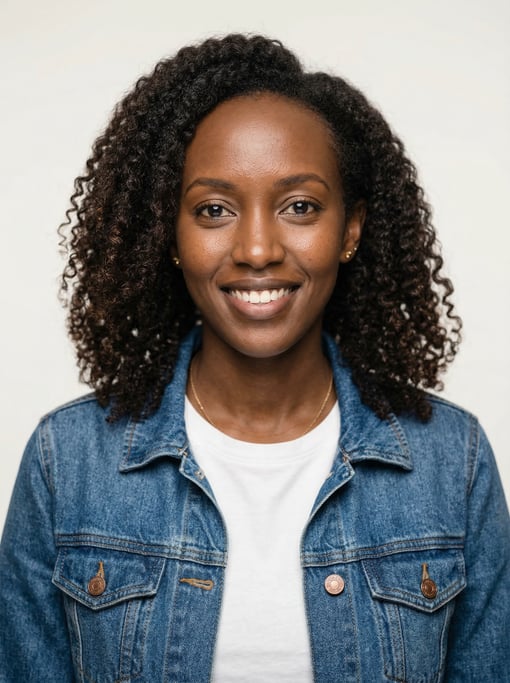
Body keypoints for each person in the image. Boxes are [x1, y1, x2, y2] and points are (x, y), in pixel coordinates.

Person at [0, 33, 509, 683]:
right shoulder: (66, 461)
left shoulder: (451, 460)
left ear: (350, 229)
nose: (258, 248)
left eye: (300, 206)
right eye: (214, 209)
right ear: (172, 235)